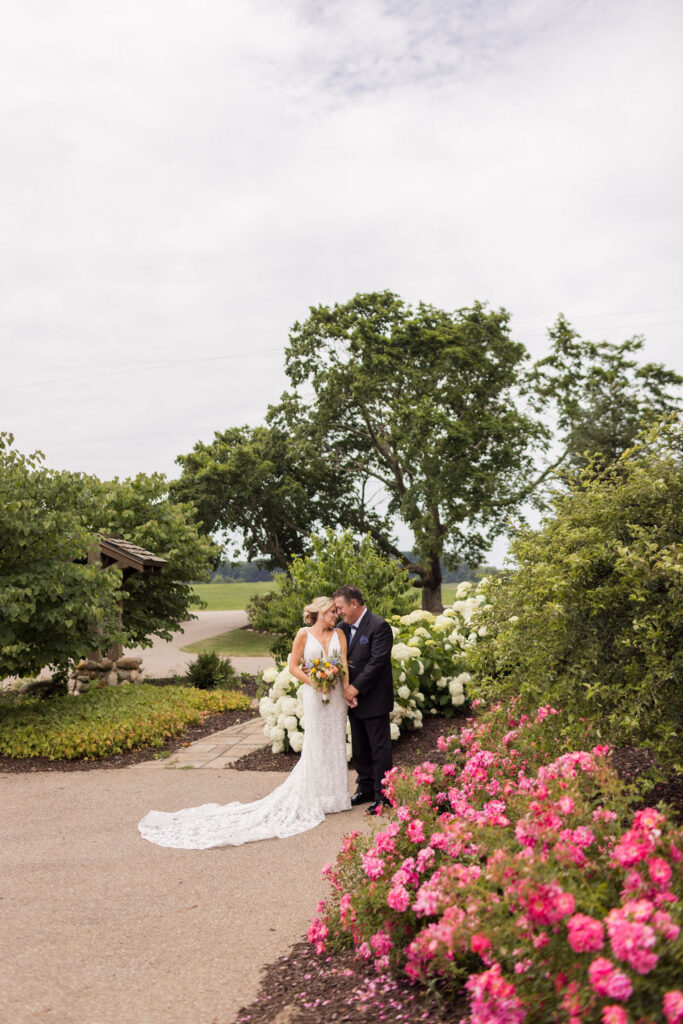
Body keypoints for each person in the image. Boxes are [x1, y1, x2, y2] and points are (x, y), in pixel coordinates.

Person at [137, 597, 351, 849]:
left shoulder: (340, 634)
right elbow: (293, 667)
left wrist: (346, 691)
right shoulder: (303, 634)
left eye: (337, 612)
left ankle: (337, 797)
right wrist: (313, 682)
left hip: (336, 698)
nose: (336, 615)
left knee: (335, 740)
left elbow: (344, 664)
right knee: (316, 742)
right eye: (332, 612)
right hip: (315, 695)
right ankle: (316, 796)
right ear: (320, 612)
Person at [333, 585, 394, 816]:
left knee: (379, 749)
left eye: (341, 608)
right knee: (360, 748)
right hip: (352, 701)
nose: (339, 613)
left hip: (374, 699)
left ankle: (384, 795)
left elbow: (377, 662)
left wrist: (355, 688)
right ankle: (365, 787)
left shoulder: (379, 626)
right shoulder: (341, 628)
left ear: (354, 604)